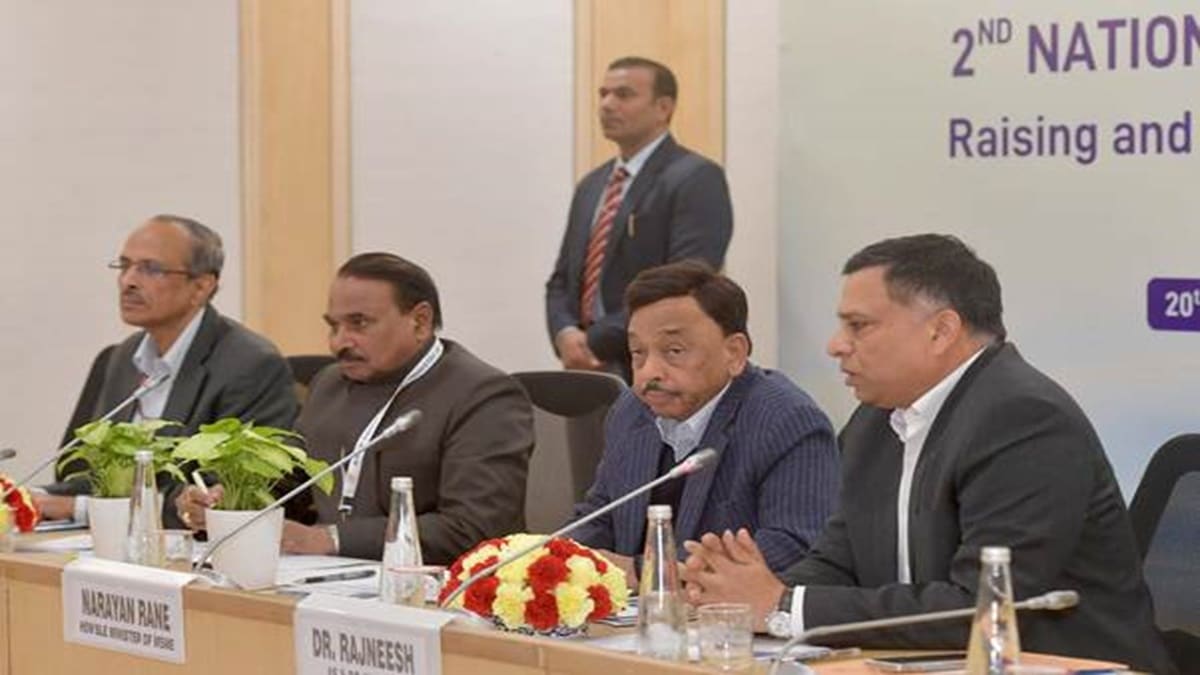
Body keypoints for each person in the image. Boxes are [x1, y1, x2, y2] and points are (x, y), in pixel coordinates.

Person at [680, 234, 1174, 673]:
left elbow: (982, 608)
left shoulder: (1023, 419)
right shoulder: (875, 420)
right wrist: (744, 594)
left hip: (1068, 666)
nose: (835, 345)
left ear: (941, 330)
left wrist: (784, 606)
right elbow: (837, 561)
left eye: (858, 326)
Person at [176, 253, 535, 564]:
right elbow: (295, 485)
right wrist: (226, 503)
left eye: (359, 323)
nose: (338, 343)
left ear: (420, 321)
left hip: (435, 593)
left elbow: (473, 529)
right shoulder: (330, 384)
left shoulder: (483, 395)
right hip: (327, 582)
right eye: (334, 326)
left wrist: (329, 539)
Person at [569, 261, 839, 584]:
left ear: (734, 353)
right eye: (638, 352)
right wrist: (560, 557)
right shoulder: (631, 411)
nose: (648, 372)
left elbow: (793, 547)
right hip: (634, 612)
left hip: (730, 614)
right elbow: (601, 514)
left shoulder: (787, 420)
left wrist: (644, 572)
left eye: (674, 351)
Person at [37, 215, 297, 524]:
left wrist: (77, 508)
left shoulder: (249, 363)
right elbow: (93, 476)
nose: (128, 281)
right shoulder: (124, 357)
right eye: (125, 266)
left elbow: (218, 499)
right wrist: (28, 495)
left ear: (201, 287)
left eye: (150, 269)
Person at [545, 56, 733, 382]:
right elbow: (562, 279)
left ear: (663, 108)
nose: (607, 105)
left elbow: (687, 283)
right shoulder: (591, 186)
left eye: (624, 94)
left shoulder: (695, 177)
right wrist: (565, 333)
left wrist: (594, 341)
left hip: (660, 368)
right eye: (603, 94)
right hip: (585, 371)